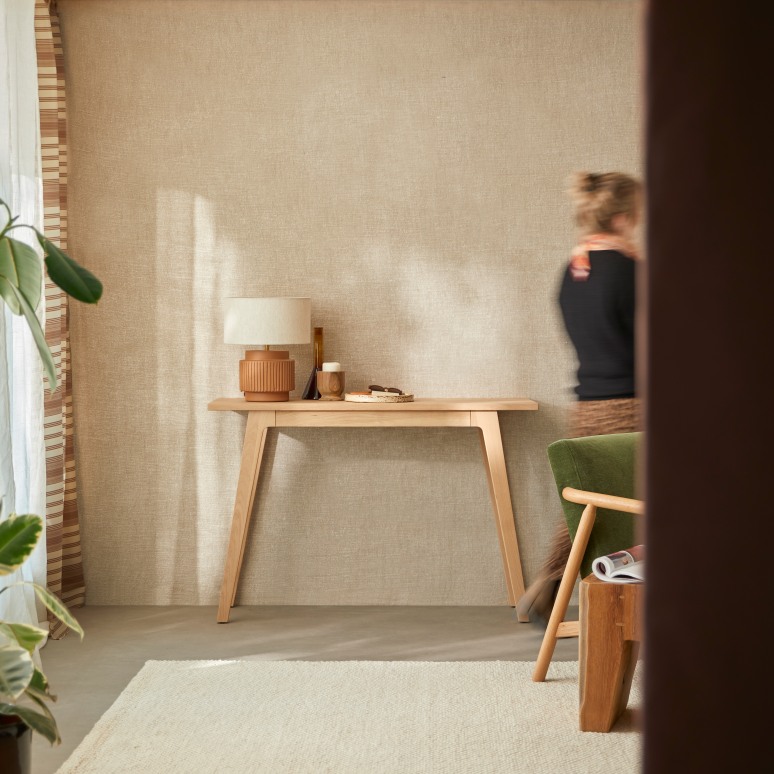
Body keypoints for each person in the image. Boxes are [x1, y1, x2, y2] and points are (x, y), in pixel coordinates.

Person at [516, 170, 644, 624]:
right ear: (628, 217)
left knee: (588, 504)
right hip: (634, 403)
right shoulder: (631, 272)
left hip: (589, 403)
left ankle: (552, 582)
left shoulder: (574, 271)